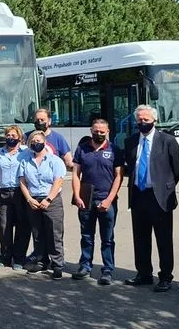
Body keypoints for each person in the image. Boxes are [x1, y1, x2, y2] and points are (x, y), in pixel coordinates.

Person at [123, 104, 179, 292]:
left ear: (154, 120)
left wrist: (166, 187)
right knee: (140, 237)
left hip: (160, 197)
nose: (142, 123)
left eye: (146, 120)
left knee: (163, 239)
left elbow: (177, 168)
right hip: (139, 195)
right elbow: (131, 166)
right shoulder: (130, 141)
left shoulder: (167, 140)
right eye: (139, 120)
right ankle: (144, 273)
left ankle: (165, 276)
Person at [70, 119, 123, 285]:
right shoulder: (82, 148)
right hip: (86, 199)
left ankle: (107, 270)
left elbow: (118, 177)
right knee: (86, 236)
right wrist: (77, 196)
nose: (98, 134)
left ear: (107, 131)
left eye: (102, 131)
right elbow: (75, 174)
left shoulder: (115, 150)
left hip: (106, 200)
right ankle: (85, 266)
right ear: (91, 130)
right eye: (96, 131)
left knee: (107, 238)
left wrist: (109, 200)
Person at [20, 131, 67, 280]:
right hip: (33, 200)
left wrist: (48, 199)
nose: (36, 143)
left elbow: (58, 181)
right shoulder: (25, 160)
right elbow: (22, 181)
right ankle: (41, 260)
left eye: (38, 140)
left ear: (45, 142)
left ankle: (57, 264)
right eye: (33, 141)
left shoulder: (55, 160)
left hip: (51, 201)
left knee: (54, 233)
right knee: (37, 233)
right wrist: (29, 199)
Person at [0, 125, 31, 270]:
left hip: (21, 192)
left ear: (20, 138)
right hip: (4, 193)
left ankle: (19, 258)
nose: (10, 138)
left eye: (13, 136)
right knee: (4, 227)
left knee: (22, 227)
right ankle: (5, 257)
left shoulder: (25, 152)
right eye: (8, 135)